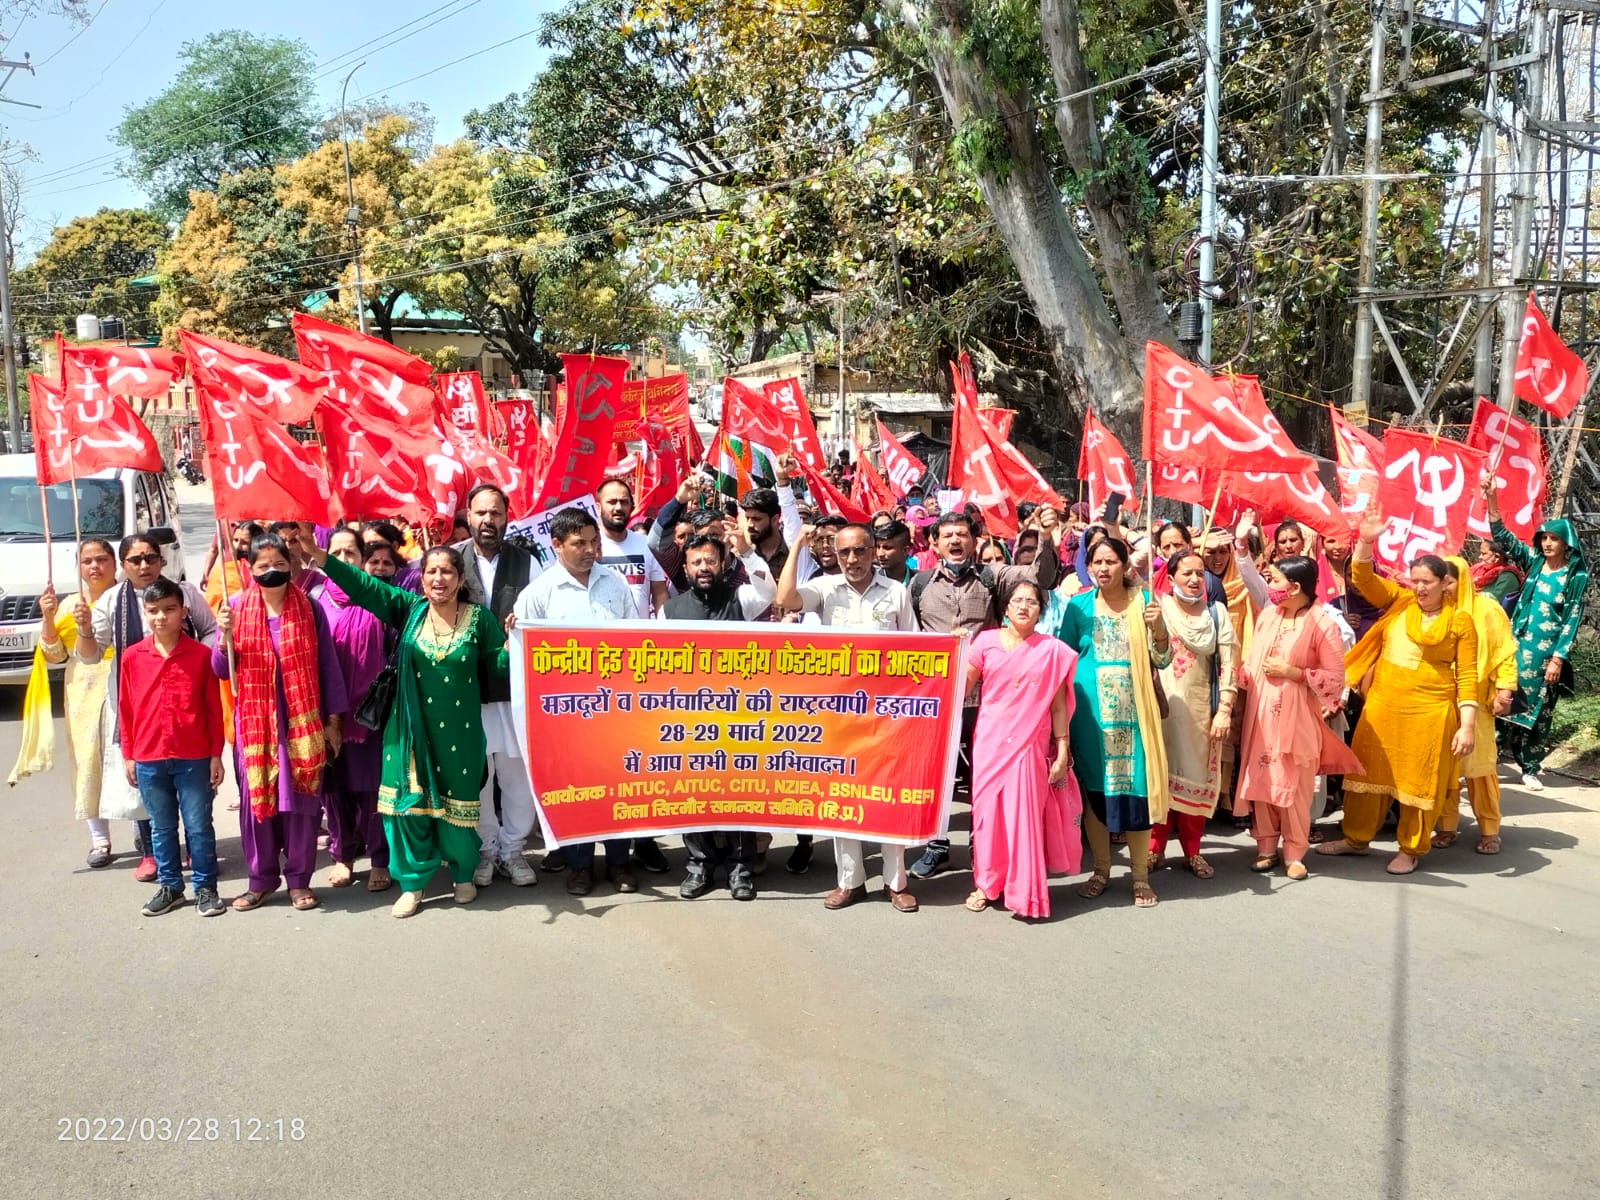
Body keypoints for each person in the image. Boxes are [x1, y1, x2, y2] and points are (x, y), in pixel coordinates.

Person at [313, 541, 509, 918]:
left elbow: (498, 666)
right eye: (432, 571)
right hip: (408, 731)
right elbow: (364, 586)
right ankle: (414, 883)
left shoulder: (479, 618)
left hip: (460, 733)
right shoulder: (409, 610)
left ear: (461, 578)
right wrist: (323, 560)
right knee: (406, 807)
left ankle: (463, 875)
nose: (439, 578)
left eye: (447, 571)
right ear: (421, 580)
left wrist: (514, 644)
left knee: (458, 809)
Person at [1319, 507, 1478, 875]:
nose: (1419, 587)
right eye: (1415, 580)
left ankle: (1410, 848)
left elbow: (1467, 676)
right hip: (1383, 705)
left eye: (1427, 582)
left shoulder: (1460, 622)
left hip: (1431, 711)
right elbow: (1363, 577)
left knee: (1419, 783)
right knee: (1364, 776)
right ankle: (1356, 838)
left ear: (1445, 584)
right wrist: (1365, 540)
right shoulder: (1399, 602)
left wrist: (1466, 725)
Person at [775, 522, 921, 912]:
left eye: (860, 551)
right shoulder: (824, 589)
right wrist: (797, 547)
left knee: (888, 798)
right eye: (844, 553)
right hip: (839, 716)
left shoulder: (897, 592)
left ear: (875, 551)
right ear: (835, 555)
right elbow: (786, 598)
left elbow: (918, 652)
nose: (852, 559)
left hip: (886, 716)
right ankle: (850, 881)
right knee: (842, 799)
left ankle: (896, 882)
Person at [906, 510, 1060, 879]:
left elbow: (1043, 577)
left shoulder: (995, 577)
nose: (956, 541)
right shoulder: (919, 585)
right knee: (937, 777)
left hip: (988, 702)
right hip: (938, 701)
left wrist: (1046, 536)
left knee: (985, 776)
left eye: (962, 534)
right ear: (935, 543)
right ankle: (937, 844)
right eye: (948, 536)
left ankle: (984, 842)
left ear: (975, 542)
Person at [214, 531, 350, 912]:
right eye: (263, 566)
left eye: (279, 564)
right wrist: (223, 635)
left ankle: (298, 880)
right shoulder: (236, 608)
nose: (271, 571)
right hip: (256, 727)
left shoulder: (309, 608)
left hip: (302, 724)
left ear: (290, 565)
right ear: (249, 568)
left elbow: (328, 668)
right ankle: (260, 880)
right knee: (257, 805)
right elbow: (221, 670)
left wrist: (333, 722)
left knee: (303, 804)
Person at [513, 506, 641, 896]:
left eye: (593, 541)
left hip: (614, 707)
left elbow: (635, 641)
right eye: (579, 543)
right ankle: (580, 865)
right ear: (556, 545)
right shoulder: (538, 593)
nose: (590, 550)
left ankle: (620, 862)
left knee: (616, 785)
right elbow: (520, 653)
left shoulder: (615, 585)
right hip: (565, 715)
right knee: (576, 789)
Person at [76, 533, 218, 883]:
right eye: (135, 560)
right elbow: (90, 654)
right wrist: (84, 629)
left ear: (162, 561)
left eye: (151, 558)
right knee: (144, 780)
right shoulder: (111, 600)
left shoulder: (184, 594)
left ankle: (194, 851)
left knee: (193, 785)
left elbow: (211, 630)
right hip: (139, 703)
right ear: (122, 567)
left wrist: (204, 659)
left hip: (185, 698)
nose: (144, 566)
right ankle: (152, 853)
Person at [663, 525, 778, 901]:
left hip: (738, 717)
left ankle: (741, 870)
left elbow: (771, 592)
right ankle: (699, 867)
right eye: (696, 561)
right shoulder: (670, 610)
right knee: (692, 795)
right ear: (686, 569)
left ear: (723, 562)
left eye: (710, 560)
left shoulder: (741, 597)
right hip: (690, 721)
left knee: (740, 795)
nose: (703, 567)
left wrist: (747, 552)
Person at [1056, 535, 1171, 907]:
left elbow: (1164, 660)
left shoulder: (1146, 603)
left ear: (1125, 565)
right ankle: (1102, 870)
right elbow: (1064, 659)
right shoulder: (1077, 607)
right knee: (1095, 795)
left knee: (1135, 793)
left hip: (1135, 717)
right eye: (1097, 563)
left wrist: (1159, 629)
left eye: (1111, 562)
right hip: (1089, 719)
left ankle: (1139, 877)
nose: (1103, 569)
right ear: (1088, 568)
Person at [1233, 556, 1361, 879]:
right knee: (1261, 778)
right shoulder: (1267, 617)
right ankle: (1265, 847)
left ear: (1295, 587)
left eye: (1274, 580)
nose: (1271, 586)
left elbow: (1335, 678)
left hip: (1299, 717)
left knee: (1295, 785)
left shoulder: (1321, 623)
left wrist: (1295, 673)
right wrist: (1237, 675)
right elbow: (1252, 661)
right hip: (1260, 714)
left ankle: (1294, 852)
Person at [962, 581, 1080, 919]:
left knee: (1023, 817)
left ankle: (1024, 891)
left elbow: (1058, 707)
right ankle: (987, 884)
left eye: (1032, 601)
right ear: (1006, 607)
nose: (1024, 606)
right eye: (1017, 600)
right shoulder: (985, 641)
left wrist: (1061, 752)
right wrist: (954, 649)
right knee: (987, 817)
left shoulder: (1051, 650)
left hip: (1030, 744)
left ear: (1041, 610)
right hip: (989, 742)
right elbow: (961, 686)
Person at [117, 577, 227, 917]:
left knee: (198, 825)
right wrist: (129, 756)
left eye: (169, 609)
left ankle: (206, 888)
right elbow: (126, 709)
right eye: (153, 611)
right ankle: (171, 886)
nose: (161, 617)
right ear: (144, 613)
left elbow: (213, 709)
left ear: (183, 611)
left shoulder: (200, 656)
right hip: (149, 757)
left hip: (193, 755)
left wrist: (215, 755)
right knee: (162, 826)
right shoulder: (133, 657)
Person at [452, 483, 544, 887]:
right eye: (481, 513)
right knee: (478, 776)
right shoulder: (449, 562)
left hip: (514, 689)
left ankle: (513, 850)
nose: (488, 521)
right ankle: (486, 850)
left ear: (508, 517)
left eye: (496, 513)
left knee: (517, 774)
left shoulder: (529, 563)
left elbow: (545, 621)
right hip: (466, 692)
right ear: (468, 516)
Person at [12, 539, 120, 866]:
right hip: (83, 687)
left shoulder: (128, 597)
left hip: (125, 677)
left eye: (102, 559)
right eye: (87, 561)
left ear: (115, 563)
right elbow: (55, 655)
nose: (95, 567)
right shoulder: (70, 604)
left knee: (129, 758)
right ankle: (99, 839)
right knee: (88, 759)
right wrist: (47, 617)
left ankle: (148, 836)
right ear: (79, 567)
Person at [1485, 480, 1589, 791]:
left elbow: (1571, 619)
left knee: (1538, 709)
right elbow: (1502, 537)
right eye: (1544, 538)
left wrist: (1558, 658)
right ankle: (1485, 760)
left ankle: (1529, 766)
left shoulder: (1575, 576)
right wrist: (1491, 497)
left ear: (1566, 544)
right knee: (1503, 699)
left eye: (1554, 539)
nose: (1547, 544)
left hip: (1546, 656)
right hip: (1515, 647)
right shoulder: (1534, 564)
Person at [309, 528, 392, 891]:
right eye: (337, 553)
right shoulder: (311, 600)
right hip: (326, 711)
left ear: (362, 559)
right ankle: (342, 855)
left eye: (351, 554)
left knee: (373, 787)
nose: (344, 560)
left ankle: (379, 859)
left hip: (371, 713)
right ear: (323, 556)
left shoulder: (378, 599)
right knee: (334, 787)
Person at [1149, 549, 1238, 878]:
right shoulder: (1159, 608)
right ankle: (1154, 849)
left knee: (1196, 781)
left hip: (1201, 712)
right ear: (1171, 578)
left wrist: (1224, 710)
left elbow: (1230, 665)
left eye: (1200, 573)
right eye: (1186, 573)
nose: (1194, 579)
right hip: (1162, 709)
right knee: (1159, 779)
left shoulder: (1217, 615)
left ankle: (1193, 850)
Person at [1434, 555, 1516, 855]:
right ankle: (1445, 826)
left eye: (1450, 581)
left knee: (1479, 770)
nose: (1445, 587)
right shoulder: (1434, 610)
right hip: (1440, 701)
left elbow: (1504, 653)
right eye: (1440, 581)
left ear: (1463, 580)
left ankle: (1490, 829)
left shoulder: (1487, 609)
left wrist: (1504, 691)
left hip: (1478, 704)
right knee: (1445, 769)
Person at [596, 478, 670, 618]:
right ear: (598, 507)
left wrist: (662, 628)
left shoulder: (647, 545)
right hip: (601, 636)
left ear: (631, 506)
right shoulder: (589, 546)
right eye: (612, 502)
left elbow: (660, 593)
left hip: (640, 637)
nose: (618, 507)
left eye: (624, 502)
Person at [1470, 539, 1523, 612]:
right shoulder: (1479, 570)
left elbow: (1493, 603)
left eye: (1484, 554)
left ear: (1497, 557)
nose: (1480, 557)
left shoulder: (1508, 577)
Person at [872, 519, 913, 585]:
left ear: (905, 550)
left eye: (887, 548)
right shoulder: (871, 583)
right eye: (878, 547)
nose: (880, 554)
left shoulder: (921, 582)